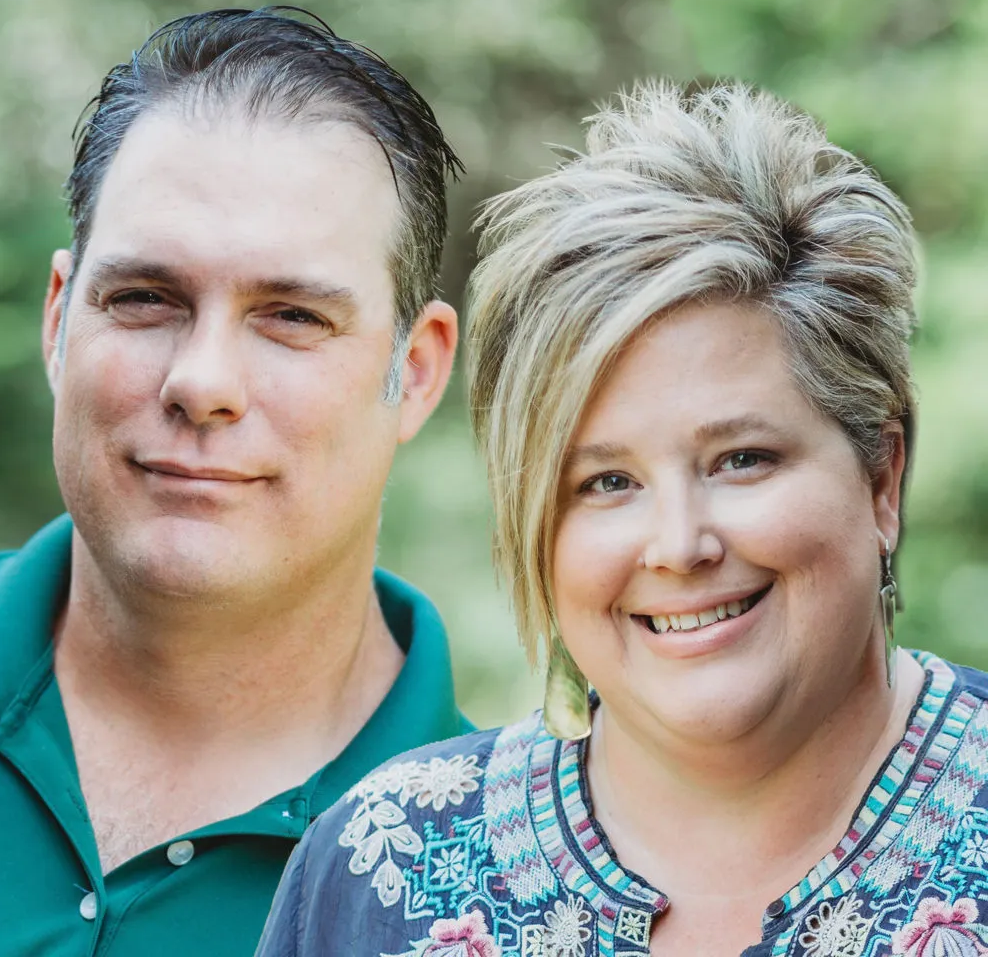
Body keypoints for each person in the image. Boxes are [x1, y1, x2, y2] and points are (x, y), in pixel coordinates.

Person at [256, 80, 988, 957]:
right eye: (605, 482)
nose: (678, 545)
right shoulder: (373, 871)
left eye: (741, 460)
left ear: (883, 479)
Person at [0, 7, 471, 957]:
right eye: (145, 298)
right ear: (57, 322)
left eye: (291, 316)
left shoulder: (506, 885)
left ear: (419, 372)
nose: (202, 382)